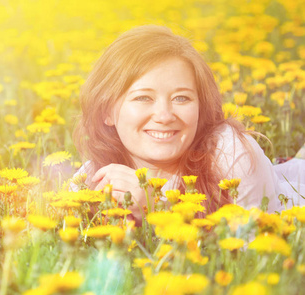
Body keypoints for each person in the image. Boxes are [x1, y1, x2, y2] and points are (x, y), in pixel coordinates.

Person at [72, 25, 305, 223]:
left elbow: (250, 255)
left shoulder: (233, 157)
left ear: (200, 106)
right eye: (143, 98)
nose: (164, 116)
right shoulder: (94, 180)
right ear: (107, 111)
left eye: (181, 98)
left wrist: (155, 209)